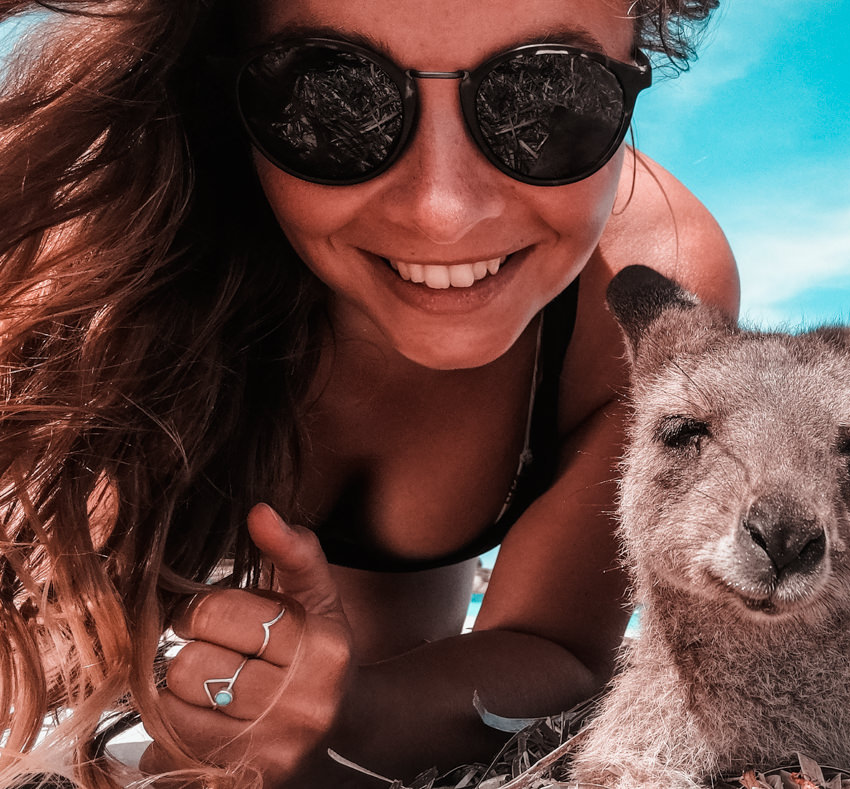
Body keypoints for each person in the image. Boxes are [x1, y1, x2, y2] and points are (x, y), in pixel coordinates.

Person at [0, 0, 739, 786]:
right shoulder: (87, 239)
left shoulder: (658, 302)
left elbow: (555, 648)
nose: (443, 212)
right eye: (335, 100)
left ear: (635, 67)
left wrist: (350, 712)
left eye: (547, 101)